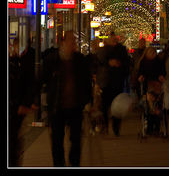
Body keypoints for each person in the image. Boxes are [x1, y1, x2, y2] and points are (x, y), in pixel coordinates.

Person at [41, 31, 92, 167]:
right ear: (62, 43)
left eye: (74, 41)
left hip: (75, 106)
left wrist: (88, 101)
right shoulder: (52, 60)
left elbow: (87, 83)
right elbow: (42, 80)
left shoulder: (80, 60)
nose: (73, 44)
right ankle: (59, 165)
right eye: (71, 41)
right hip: (57, 107)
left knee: (76, 140)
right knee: (57, 140)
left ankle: (74, 163)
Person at [9, 37, 37, 167]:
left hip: (15, 109)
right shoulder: (14, 62)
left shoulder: (20, 62)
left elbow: (29, 84)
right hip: (15, 108)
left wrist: (25, 103)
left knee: (13, 142)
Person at [96, 31, 130, 136]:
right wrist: (109, 63)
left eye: (114, 38)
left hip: (117, 81)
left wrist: (120, 65)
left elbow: (127, 63)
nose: (113, 40)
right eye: (111, 38)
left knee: (117, 106)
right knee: (105, 106)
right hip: (106, 82)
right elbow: (99, 62)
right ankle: (105, 126)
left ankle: (116, 127)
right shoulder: (103, 50)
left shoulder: (121, 50)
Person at [136, 47, 166, 135]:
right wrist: (140, 77)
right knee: (149, 107)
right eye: (150, 52)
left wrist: (161, 76)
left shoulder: (159, 62)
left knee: (157, 105)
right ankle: (149, 127)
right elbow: (139, 73)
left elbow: (163, 72)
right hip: (147, 86)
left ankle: (157, 127)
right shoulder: (143, 62)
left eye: (154, 52)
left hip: (157, 86)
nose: (153, 54)